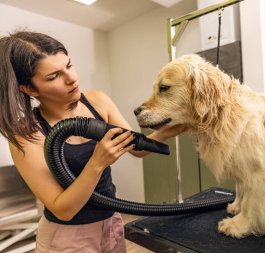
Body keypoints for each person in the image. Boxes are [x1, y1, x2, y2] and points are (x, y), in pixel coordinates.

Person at [0, 31, 185, 253]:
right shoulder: (26, 132)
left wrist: (165, 133)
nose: (72, 78)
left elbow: (134, 147)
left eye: (69, 65)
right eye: (54, 76)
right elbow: (63, 210)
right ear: (29, 89)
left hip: (111, 223)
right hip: (67, 237)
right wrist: (97, 162)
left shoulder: (97, 101)